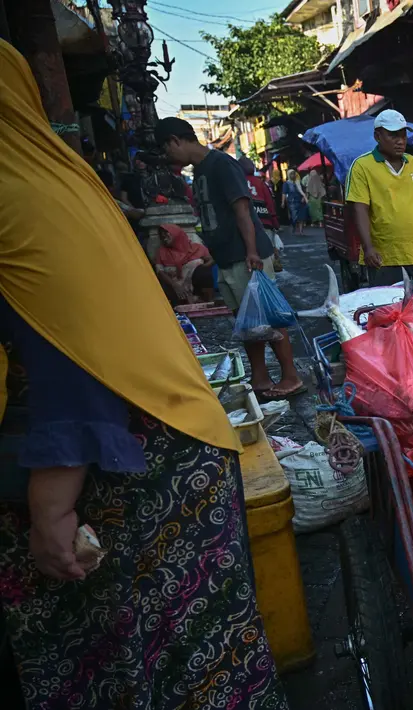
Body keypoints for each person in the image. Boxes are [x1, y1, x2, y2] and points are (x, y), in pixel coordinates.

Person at [0, 39, 287, 708]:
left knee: (147, 662)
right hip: (163, 434)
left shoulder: (16, 193)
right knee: (187, 658)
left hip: (134, 460)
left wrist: (52, 505)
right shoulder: (58, 177)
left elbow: (65, 348)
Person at [156, 117, 305, 401]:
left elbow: (242, 209)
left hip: (245, 254)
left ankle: (291, 376)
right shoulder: (199, 170)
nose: (168, 157)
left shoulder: (221, 164)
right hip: (226, 257)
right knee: (246, 320)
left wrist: (251, 250)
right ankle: (260, 375)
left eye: (167, 149)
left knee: (269, 316)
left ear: (175, 140)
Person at [345, 109, 413, 287]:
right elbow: (360, 209)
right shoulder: (362, 166)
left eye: (403, 136)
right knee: (388, 309)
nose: (400, 141)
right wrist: (368, 248)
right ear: (377, 136)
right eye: (393, 136)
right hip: (384, 258)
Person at [153, 223, 216, 305]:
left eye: (166, 234)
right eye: (162, 236)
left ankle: (208, 301)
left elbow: (211, 259)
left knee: (203, 271)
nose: (164, 238)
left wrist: (202, 267)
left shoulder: (197, 248)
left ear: (176, 234)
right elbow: (159, 272)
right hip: (176, 289)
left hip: (196, 288)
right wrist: (175, 285)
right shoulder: (162, 252)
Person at [281, 169, 308, 236]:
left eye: (294, 174)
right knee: (294, 216)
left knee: (301, 216)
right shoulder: (286, 183)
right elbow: (284, 193)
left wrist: (303, 198)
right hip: (292, 202)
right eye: (291, 174)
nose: (293, 175)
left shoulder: (298, 182)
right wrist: (283, 202)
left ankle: (301, 231)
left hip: (300, 201)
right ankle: (294, 227)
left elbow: (303, 191)